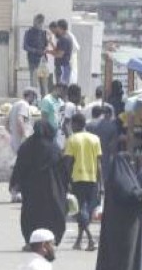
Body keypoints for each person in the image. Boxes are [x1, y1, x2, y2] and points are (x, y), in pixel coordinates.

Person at [91, 153, 142, 270]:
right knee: (124, 254)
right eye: (130, 162)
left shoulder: (122, 176)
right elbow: (129, 194)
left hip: (126, 223)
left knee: (127, 253)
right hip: (123, 225)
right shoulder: (120, 178)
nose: (133, 165)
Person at [11, 121, 69, 247]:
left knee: (31, 214)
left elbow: (19, 166)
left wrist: (15, 183)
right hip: (51, 188)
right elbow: (62, 168)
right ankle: (50, 241)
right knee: (52, 213)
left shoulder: (27, 145)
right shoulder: (53, 147)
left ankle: (31, 241)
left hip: (31, 189)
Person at [64, 113, 102, 251]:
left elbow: (68, 162)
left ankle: (90, 239)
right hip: (92, 180)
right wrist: (101, 184)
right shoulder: (95, 139)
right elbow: (99, 164)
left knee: (77, 210)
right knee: (85, 211)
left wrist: (66, 180)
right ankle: (79, 241)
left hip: (77, 179)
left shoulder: (72, 139)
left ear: (76, 124)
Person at [87, 105, 119, 185]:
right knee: (104, 181)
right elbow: (112, 147)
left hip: (89, 157)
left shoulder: (88, 125)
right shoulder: (112, 126)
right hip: (105, 157)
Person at [23, 14, 49, 97]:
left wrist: (45, 51)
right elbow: (25, 46)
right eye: (38, 22)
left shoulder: (44, 33)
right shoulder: (29, 32)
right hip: (33, 62)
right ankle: (34, 101)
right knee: (34, 84)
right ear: (34, 22)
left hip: (42, 62)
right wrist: (35, 51)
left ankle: (44, 101)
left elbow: (46, 45)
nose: (40, 24)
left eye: (41, 23)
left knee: (44, 84)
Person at [49, 19, 73, 86]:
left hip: (63, 66)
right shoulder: (66, 37)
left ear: (61, 28)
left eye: (57, 28)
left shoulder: (64, 39)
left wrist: (49, 52)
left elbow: (59, 55)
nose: (57, 30)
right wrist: (51, 44)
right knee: (61, 86)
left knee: (62, 87)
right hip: (63, 66)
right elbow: (58, 50)